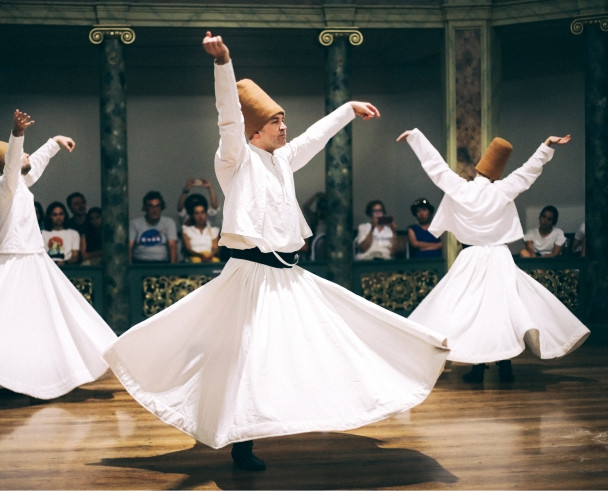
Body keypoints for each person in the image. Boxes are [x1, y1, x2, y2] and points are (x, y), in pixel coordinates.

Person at [104, 32, 448, 473]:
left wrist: (347, 109)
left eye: (285, 121)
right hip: (249, 276)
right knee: (246, 354)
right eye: (277, 122)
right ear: (255, 130)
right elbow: (227, 116)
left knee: (330, 334)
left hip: (288, 275)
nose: (285, 128)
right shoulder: (235, 159)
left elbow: (315, 137)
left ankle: (333, 400)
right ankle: (242, 442)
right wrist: (223, 63)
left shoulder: (284, 158)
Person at [397, 128, 589, 384]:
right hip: (499, 257)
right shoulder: (503, 190)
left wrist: (416, 138)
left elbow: (437, 169)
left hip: (472, 257)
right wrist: (546, 146)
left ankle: (478, 367)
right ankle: (504, 365)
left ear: (478, 169)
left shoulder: (462, 189)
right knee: (500, 310)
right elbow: (528, 172)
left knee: (471, 310)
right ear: (497, 173)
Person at [0, 109, 117, 399]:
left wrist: (54, 142)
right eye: (21, 154)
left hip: (32, 260)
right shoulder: (6, 186)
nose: (27, 155)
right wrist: (17, 133)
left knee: (46, 319)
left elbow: (32, 166)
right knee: (12, 322)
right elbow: (16, 165)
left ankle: (32, 376)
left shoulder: (19, 185)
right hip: (15, 260)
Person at [129, 191, 178, 264]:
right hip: (140, 263)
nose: (154, 210)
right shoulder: (134, 223)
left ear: (161, 208)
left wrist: (172, 268)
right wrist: (130, 267)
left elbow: (172, 246)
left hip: (162, 263)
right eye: (151, 206)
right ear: (145, 208)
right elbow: (130, 246)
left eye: (157, 206)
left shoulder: (169, 222)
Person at [41, 201, 81, 266]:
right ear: (50, 216)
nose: (58, 217)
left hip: (68, 268)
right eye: (55, 215)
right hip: (47, 268)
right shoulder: (42, 234)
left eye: (61, 214)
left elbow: (75, 256)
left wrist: (64, 263)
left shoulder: (74, 234)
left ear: (64, 215)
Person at [181, 197, 220, 263]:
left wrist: (209, 256)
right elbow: (188, 249)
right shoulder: (187, 230)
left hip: (210, 258)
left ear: (206, 214)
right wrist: (201, 256)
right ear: (193, 216)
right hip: (194, 260)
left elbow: (215, 248)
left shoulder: (213, 230)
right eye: (197, 213)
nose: (200, 216)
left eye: (202, 212)